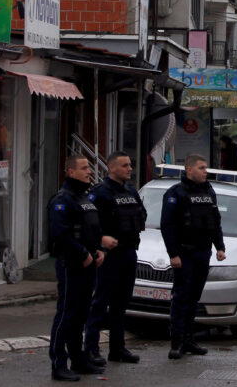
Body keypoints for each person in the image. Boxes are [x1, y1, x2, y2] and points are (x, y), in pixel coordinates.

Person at [160, 154, 226, 360]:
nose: (205, 171)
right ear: (189, 170)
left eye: (206, 167)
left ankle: (189, 340)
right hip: (184, 253)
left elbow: (215, 222)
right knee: (181, 298)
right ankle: (176, 343)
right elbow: (167, 226)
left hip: (202, 252)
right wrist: (173, 254)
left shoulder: (208, 191)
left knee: (194, 298)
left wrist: (220, 247)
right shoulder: (175, 193)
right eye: (201, 168)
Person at [83, 152, 146, 366]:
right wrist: (101, 239)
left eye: (130, 165)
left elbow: (141, 216)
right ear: (111, 168)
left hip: (129, 253)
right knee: (100, 303)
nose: (130, 168)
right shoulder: (99, 193)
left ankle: (117, 349)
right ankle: (90, 349)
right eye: (125, 165)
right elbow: (87, 224)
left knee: (121, 304)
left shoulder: (131, 191)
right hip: (108, 256)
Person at [48, 154, 105, 381]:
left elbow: (92, 229)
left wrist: (98, 250)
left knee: (81, 315)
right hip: (71, 265)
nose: (88, 172)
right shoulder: (62, 200)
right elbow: (60, 235)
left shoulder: (84, 198)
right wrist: (82, 254)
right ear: (70, 172)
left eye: (88, 168)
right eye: (83, 168)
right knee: (66, 315)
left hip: (88, 264)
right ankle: (58, 364)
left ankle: (78, 360)